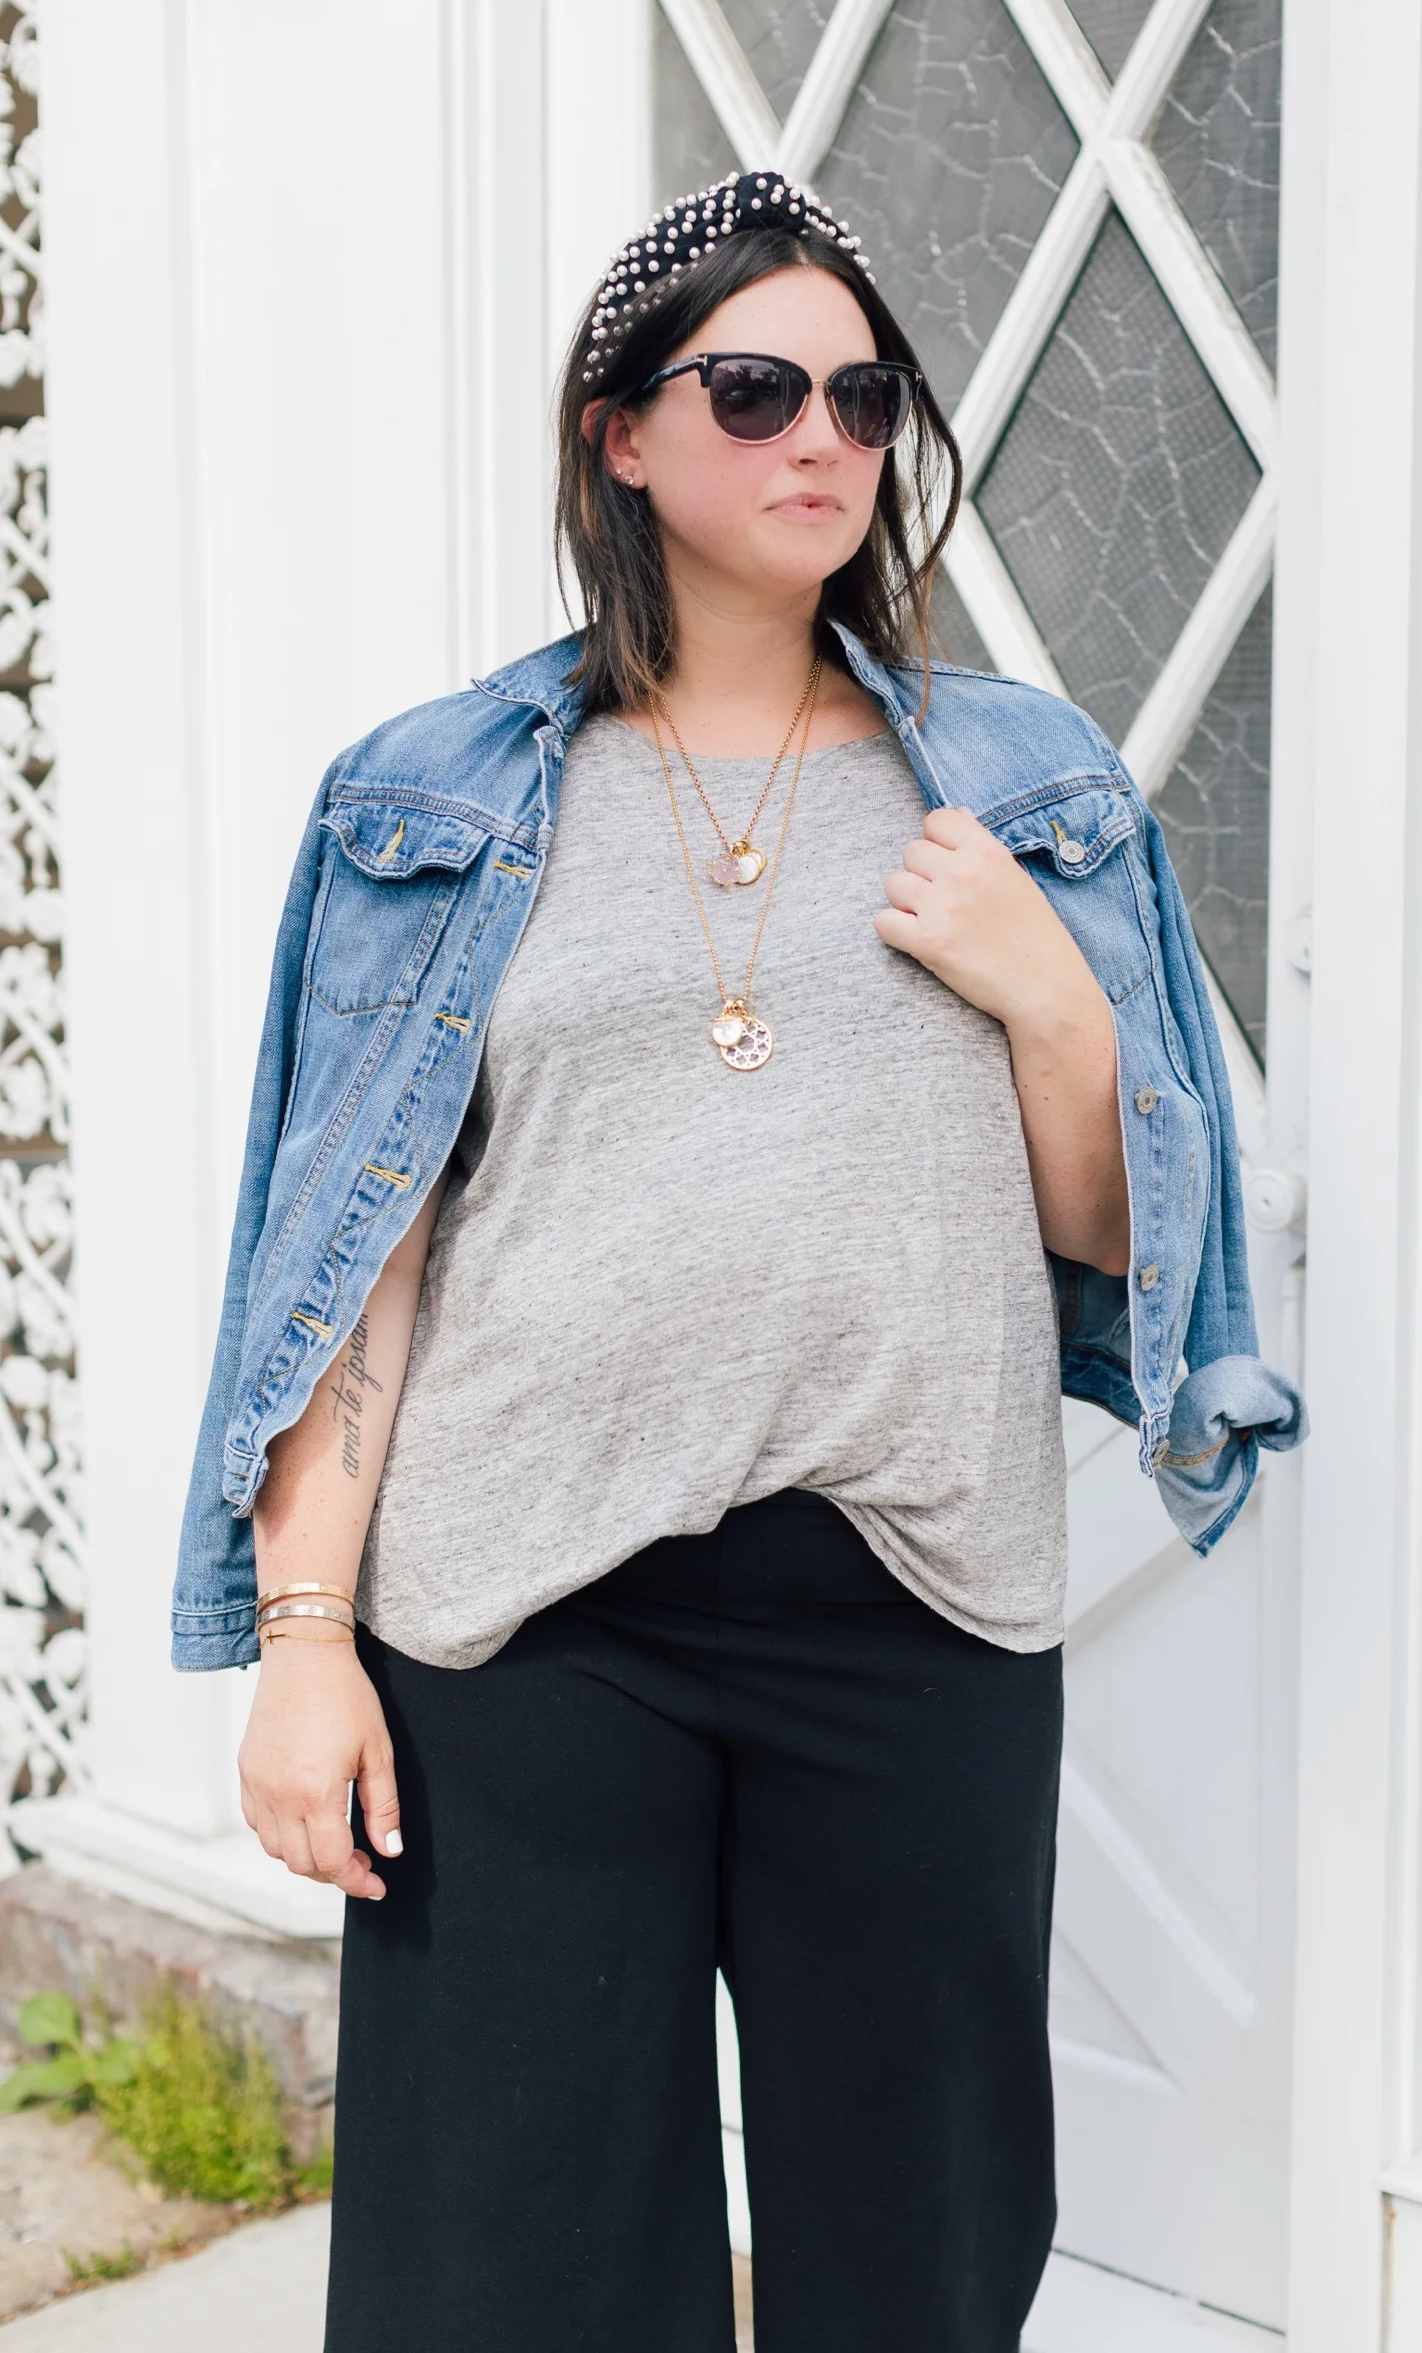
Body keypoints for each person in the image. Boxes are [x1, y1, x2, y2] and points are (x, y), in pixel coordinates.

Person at [171, 170, 1305, 2353]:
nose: (823, 441)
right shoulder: (431, 797)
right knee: (515, 2275)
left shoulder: (1022, 786)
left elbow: (1108, 1230)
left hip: (910, 1601)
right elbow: (354, 1251)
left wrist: (1049, 998)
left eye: (865, 399)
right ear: (620, 433)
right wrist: (302, 1637)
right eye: (758, 389)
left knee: (915, 2259)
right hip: (524, 1612)